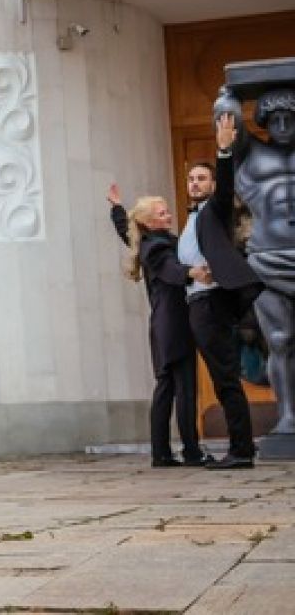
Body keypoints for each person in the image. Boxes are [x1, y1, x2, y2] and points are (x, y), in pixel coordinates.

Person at [177, 115, 264, 468]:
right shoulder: (191, 219)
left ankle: (241, 451)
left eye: (202, 179)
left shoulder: (214, 209)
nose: (196, 184)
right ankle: (240, 448)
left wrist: (224, 151)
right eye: (192, 179)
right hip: (197, 301)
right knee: (221, 376)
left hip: (211, 301)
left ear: (212, 186)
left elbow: (227, 189)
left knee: (226, 378)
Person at [108, 184, 209, 467]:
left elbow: (125, 229)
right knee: (184, 388)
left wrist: (117, 207)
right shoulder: (158, 246)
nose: (168, 216)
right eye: (162, 213)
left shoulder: (145, 241)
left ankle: (161, 453)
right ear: (149, 222)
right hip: (175, 324)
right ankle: (191, 451)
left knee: (166, 387)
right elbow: (170, 269)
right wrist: (192, 272)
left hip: (163, 324)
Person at [216, 87, 295, 436]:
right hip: (269, 258)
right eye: (273, 118)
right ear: (262, 121)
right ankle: (289, 415)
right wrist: (230, 91)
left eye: (288, 117)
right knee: (280, 339)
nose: (281, 124)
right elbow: (226, 118)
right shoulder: (250, 156)